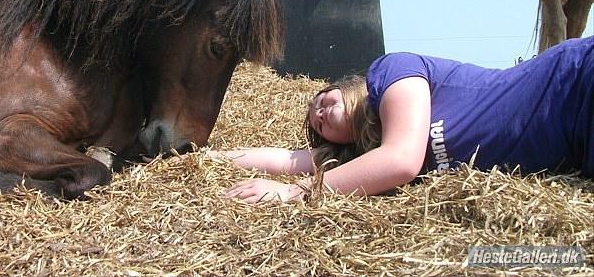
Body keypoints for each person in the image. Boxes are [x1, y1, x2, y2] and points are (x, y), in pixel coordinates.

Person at [211, 36, 594, 204]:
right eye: (318, 124)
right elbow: (287, 159)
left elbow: (401, 160)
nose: (319, 113)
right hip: (580, 148)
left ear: (346, 87)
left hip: (575, 84)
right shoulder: (362, 160)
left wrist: (296, 194)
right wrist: (205, 157)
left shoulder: (392, 72)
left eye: (321, 100)